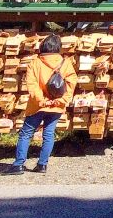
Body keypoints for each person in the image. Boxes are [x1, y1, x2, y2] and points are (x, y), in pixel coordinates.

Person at [5, 33, 75, 175]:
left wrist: (42, 101)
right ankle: (42, 165)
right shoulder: (66, 63)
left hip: (37, 106)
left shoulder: (35, 63)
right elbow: (71, 83)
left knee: (26, 134)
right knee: (48, 134)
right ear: (58, 47)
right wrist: (60, 101)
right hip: (56, 106)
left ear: (43, 46)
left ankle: (18, 165)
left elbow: (32, 85)